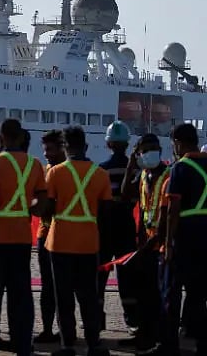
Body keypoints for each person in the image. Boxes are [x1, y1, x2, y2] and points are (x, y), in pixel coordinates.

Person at [0, 118, 46, 356]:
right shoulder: (35, 165)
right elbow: (40, 205)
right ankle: (23, 347)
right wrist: (25, 206)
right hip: (22, 238)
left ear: (1, 136)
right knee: (21, 298)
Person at [42, 125, 112, 356]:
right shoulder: (100, 174)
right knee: (88, 297)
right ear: (86, 145)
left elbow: (48, 208)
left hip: (59, 241)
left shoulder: (55, 173)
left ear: (65, 146)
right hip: (88, 242)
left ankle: (67, 345)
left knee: (63, 297)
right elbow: (104, 213)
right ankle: (94, 344)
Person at [159, 122, 207, 355]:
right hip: (205, 236)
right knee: (199, 294)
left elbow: (173, 209)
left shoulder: (180, 168)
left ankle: (169, 346)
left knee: (172, 292)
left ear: (178, 143)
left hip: (185, 235)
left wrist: (167, 243)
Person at [121, 133, 167, 352]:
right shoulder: (143, 175)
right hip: (145, 243)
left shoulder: (167, 175)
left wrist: (152, 242)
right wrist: (131, 166)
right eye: (145, 150)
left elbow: (168, 214)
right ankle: (143, 334)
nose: (151, 153)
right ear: (138, 154)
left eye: (154, 148)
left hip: (160, 245)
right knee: (143, 294)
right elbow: (125, 194)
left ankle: (156, 338)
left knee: (156, 296)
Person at [98, 120, 139, 331]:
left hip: (104, 228)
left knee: (100, 276)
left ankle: (96, 319)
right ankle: (132, 321)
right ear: (127, 143)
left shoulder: (101, 170)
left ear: (108, 144)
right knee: (127, 278)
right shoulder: (136, 170)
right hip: (127, 227)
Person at [34, 130, 66, 344]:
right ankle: (48, 329)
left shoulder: (62, 173)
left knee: (62, 287)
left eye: (50, 150)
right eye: (45, 151)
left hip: (62, 236)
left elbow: (46, 207)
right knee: (48, 287)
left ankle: (64, 331)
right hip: (46, 235)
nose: (46, 155)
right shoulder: (46, 171)